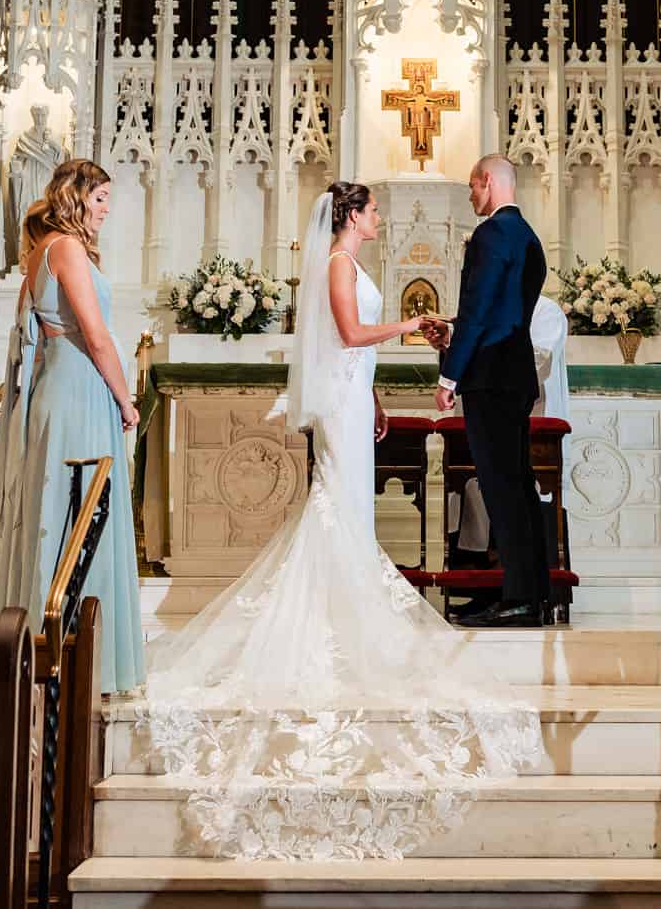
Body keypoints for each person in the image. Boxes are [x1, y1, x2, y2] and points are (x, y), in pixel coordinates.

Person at [136, 181, 541, 861]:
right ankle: (334, 623)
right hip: (338, 408)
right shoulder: (333, 264)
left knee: (346, 512)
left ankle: (343, 617)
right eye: (374, 210)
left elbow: (352, 351)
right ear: (352, 215)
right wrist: (413, 327)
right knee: (337, 511)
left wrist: (377, 393)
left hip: (355, 399)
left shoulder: (354, 265)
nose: (381, 217)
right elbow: (350, 333)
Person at [0, 158, 145, 696]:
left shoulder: (38, 253)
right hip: (81, 385)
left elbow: (31, 339)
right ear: (75, 197)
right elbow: (96, 336)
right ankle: (82, 657)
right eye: (100, 197)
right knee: (82, 514)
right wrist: (126, 401)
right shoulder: (69, 249)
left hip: (58, 386)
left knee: (59, 511)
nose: (106, 209)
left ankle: (46, 646)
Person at [433, 155, 551, 627]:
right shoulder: (528, 238)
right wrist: (456, 331)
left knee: (503, 490)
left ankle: (520, 597)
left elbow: (481, 310)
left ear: (486, 181)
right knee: (516, 487)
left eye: (471, 186)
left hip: (492, 378)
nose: (470, 195)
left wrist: (450, 374)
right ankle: (526, 591)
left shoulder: (489, 235)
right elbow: (500, 313)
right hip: (515, 373)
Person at [444, 294, 570, 617]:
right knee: (477, 498)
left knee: (514, 500)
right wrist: (448, 345)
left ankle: (526, 594)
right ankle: (484, 591)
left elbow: (539, 361)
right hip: (482, 413)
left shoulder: (546, 311)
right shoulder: (488, 307)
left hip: (530, 418)